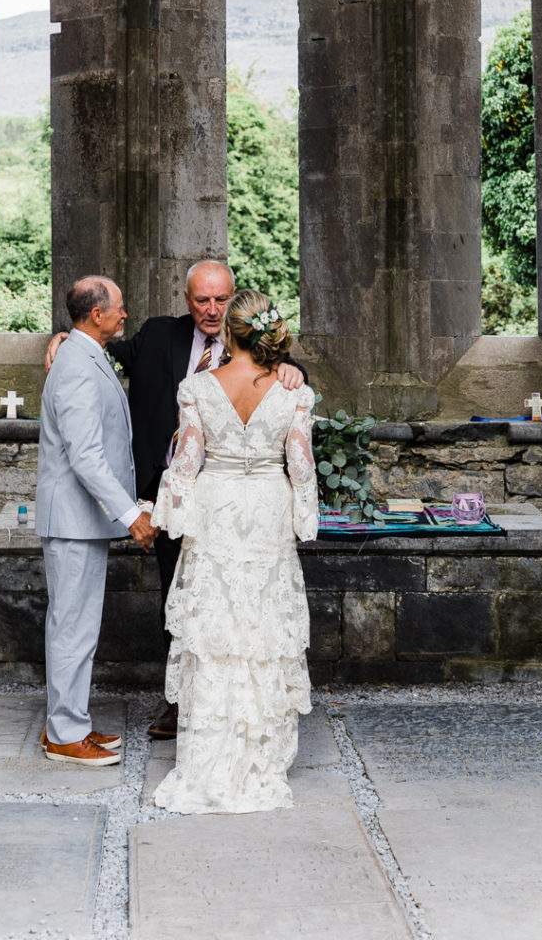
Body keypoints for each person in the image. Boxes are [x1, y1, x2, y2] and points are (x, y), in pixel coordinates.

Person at [44, 259, 305, 740]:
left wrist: (287, 366)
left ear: (234, 300)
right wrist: (65, 338)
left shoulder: (255, 351)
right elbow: (104, 348)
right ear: (187, 300)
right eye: (202, 300)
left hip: (235, 500)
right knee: (180, 597)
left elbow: (283, 383)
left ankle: (242, 700)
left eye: (221, 300)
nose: (212, 310)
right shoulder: (159, 334)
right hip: (167, 493)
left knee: (240, 599)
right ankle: (181, 701)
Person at [149, 289, 318, 814]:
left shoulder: (197, 387)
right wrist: (304, 516)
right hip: (266, 506)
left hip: (217, 505)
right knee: (261, 622)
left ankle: (209, 748)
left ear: (229, 332)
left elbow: (189, 458)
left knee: (216, 621)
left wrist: (166, 512)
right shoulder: (294, 394)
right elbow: (301, 464)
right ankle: (260, 753)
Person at [36, 275, 154, 766]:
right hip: (73, 520)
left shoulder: (81, 353)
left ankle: (71, 723)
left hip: (80, 521)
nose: (125, 316)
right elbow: (85, 456)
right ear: (97, 315)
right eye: (119, 309)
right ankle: (63, 735)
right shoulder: (78, 366)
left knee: (80, 626)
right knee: (71, 626)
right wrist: (130, 513)